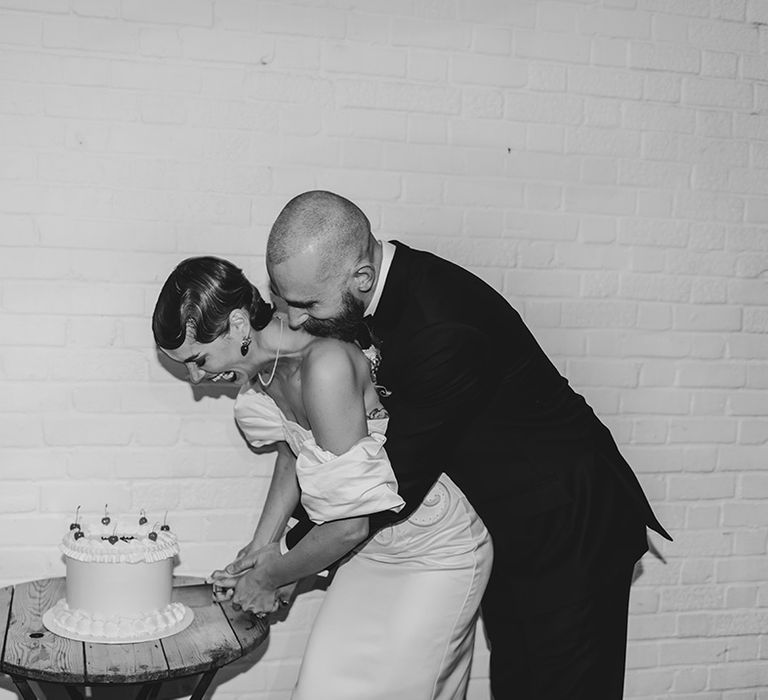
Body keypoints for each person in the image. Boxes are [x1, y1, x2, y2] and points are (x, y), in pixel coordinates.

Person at [263, 190, 673, 700]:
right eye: (286, 302)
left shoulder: (442, 326)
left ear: (362, 279)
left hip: (570, 526)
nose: (297, 320)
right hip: (513, 521)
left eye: (307, 304)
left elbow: (390, 486)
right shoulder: (378, 297)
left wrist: (283, 567)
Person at [152, 256, 492, 700]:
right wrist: (259, 549)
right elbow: (295, 454)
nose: (198, 378)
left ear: (237, 323)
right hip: (366, 547)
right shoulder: (264, 372)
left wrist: (272, 576)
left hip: (433, 545)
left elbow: (351, 521)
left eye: (197, 360)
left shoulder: (323, 364)